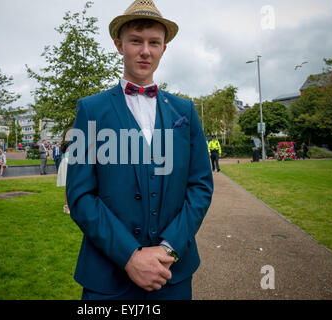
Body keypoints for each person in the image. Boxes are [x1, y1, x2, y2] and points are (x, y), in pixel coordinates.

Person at [66, 0, 213, 300]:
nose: (145, 50)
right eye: (136, 41)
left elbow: (200, 186)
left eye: (154, 43)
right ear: (119, 45)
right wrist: (129, 256)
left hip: (172, 274)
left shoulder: (185, 111)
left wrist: (167, 248)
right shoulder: (90, 110)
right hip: (106, 278)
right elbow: (80, 194)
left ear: (163, 49)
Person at [57, 141, 70, 214]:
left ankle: (69, 205)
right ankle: (66, 206)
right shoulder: (67, 150)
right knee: (68, 187)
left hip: (69, 165)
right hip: (66, 165)